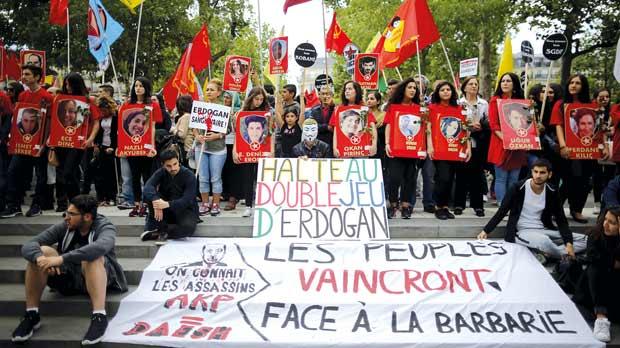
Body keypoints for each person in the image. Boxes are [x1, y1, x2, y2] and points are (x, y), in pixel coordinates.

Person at [11, 195, 128, 345]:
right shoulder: (65, 226)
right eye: (66, 213)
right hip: (70, 278)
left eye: (71, 214)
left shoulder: (105, 226)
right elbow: (29, 244)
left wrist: (60, 259)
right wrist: (40, 258)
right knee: (42, 251)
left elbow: (100, 247)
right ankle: (32, 314)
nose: (66, 217)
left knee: (91, 255)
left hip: (101, 277)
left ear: (87, 216)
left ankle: (99, 316)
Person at [478, 158, 587, 261]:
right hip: (522, 232)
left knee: (585, 240)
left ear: (550, 174)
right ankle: (560, 254)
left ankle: (548, 253)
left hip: (543, 230)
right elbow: (502, 211)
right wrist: (486, 230)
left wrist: (568, 243)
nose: (538, 176)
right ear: (532, 172)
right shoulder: (518, 188)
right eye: (536, 172)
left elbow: (561, 219)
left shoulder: (552, 191)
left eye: (542, 173)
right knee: (544, 242)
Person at [550, 73, 609, 223]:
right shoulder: (560, 104)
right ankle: (555, 211)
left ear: (583, 86)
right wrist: (563, 146)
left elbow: (599, 129)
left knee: (584, 181)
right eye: (571, 83)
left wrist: (604, 147)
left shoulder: (592, 105)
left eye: (577, 83)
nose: (573, 85)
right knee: (569, 180)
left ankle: (577, 210)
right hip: (568, 151)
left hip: (589, 151)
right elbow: (559, 125)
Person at [1, 65, 54, 218]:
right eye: (23, 74)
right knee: (13, 171)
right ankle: (14, 205)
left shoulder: (47, 97)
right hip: (22, 143)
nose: (24, 76)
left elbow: (49, 122)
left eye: (28, 74)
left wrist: (44, 144)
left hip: (39, 143)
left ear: (37, 77)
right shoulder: (22, 95)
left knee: (40, 174)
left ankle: (37, 205)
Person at [54, 73, 101, 213]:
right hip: (61, 142)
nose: (67, 87)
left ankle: (76, 204)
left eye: (70, 84)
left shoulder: (88, 100)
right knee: (68, 175)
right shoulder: (59, 99)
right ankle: (76, 206)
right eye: (66, 84)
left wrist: (91, 139)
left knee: (68, 173)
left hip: (79, 143)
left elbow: (96, 121)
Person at [574, 208, 620, 342]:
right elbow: (594, 259)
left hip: (615, 292)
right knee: (595, 267)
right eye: (605, 219)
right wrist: (613, 263)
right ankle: (601, 318)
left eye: (612, 223)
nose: (605, 224)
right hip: (593, 292)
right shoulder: (595, 235)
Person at [428, 81, 471, 220]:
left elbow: (465, 131)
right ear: (437, 93)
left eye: (448, 89)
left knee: (450, 179)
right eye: (442, 90)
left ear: (452, 92)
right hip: (439, 150)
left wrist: (468, 147)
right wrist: (430, 146)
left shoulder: (460, 109)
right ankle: (438, 207)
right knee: (443, 178)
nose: (446, 92)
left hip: (456, 150)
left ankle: (445, 207)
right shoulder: (432, 108)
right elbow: (428, 129)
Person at [120, 77, 163, 218]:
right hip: (131, 147)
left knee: (147, 177)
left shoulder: (152, 105)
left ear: (146, 88)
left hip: (145, 147)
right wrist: (121, 147)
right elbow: (122, 127)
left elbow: (152, 127)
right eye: (136, 85)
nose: (138, 88)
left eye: (141, 86)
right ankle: (136, 205)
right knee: (134, 177)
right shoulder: (127, 104)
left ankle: (146, 204)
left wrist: (151, 146)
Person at [232, 87, 274, 217]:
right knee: (248, 178)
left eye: (262, 99)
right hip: (246, 150)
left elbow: (270, 134)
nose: (259, 102)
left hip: (263, 149)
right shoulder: (241, 113)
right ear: (251, 98)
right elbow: (237, 135)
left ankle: (263, 206)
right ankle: (249, 206)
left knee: (262, 178)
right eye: (257, 99)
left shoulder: (267, 112)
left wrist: (272, 150)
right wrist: (235, 151)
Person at [141, 149, 199, 242]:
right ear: (163, 165)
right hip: (164, 209)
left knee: (188, 229)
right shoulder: (161, 172)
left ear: (178, 160)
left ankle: (160, 231)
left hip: (184, 210)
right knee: (150, 196)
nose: (173, 168)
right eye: (168, 166)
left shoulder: (189, 175)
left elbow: (187, 200)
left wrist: (167, 204)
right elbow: (147, 187)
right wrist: (157, 200)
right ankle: (161, 229)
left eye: (175, 164)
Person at [487, 72, 527, 205]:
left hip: (518, 144)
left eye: (508, 81)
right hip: (500, 143)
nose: (505, 83)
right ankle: (502, 207)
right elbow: (493, 125)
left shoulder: (522, 101)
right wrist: (507, 140)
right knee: (501, 178)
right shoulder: (495, 100)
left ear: (514, 84)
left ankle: (511, 205)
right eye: (503, 81)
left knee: (514, 178)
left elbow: (527, 124)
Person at [384, 78, 421, 219]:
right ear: (403, 89)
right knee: (394, 178)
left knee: (410, 178)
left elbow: (424, 128)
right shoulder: (393, 107)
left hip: (412, 148)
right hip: (395, 148)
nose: (412, 90)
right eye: (410, 87)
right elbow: (388, 125)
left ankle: (405, 206)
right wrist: (387, 144)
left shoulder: (419, 108)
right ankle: (393, 204)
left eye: (414, 88)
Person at [455, 76, 489, 217]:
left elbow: (488, 121)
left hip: (478, 142)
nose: (474, 86)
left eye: (476, 84)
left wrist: (481, 126)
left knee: (478, 174)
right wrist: (467, 126)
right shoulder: (458, 103)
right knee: (461, 174)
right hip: (462, 142)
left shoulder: (483, 103)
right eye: (471, 84)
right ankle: (459, 204)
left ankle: (478, 205)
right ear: (464, 87)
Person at [193, 79, 228, 216]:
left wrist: (217, 135)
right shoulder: (200, 107)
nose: (209, 92)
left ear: (219, 93)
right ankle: (205, 203)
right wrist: (197, 136)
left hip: (218, 150)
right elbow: (194, 127)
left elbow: (228, 129)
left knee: (215, 178)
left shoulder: (224, 110)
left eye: (212, 90)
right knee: (202, 177)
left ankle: (216, 204)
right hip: (201, 148)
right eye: (207, 89)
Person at [330, 80, 377, 158]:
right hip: (344, 151)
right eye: (346, 89)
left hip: (362, 151)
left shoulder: (364, 109)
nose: (347, 91)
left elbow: (372, 127)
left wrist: (374, 145)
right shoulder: (338, 109)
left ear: (357, 91)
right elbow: (336, 130)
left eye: (350, 89)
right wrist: (335, 147)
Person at [592, 88, 615, 215]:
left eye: (607, 96)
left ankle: (607, 201)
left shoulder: (613, 111)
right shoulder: (592, 111)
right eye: (601, 96)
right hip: (595, 146)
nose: (605, 99)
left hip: (611, 147)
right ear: (596, 98)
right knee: (597, 175)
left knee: (609, 175)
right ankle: (596, 202)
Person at [93, 95, 118, 206]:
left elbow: (118, 134)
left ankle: (111, 197)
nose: (102, 112)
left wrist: (113, 147)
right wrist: (97, 145)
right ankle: (101, 197)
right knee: (99, 174)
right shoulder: (99, 118)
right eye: (101, 110)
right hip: (102, 146)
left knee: (111, 174)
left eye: (104, 110)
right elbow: (98, 132)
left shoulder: (116, 117)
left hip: (112, 147)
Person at [221, 91, 244, 211]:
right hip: (222, 144)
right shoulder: (220, 110)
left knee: (234, 171)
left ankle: (234, 196)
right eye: (224, 97)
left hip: (235, 144)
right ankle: (226, 193)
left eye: (228, 97)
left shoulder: (239, 111)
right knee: (225, 170)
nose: (225, 99)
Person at [308, 85, 335, 150]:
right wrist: (326, 127)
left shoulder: (336, 109)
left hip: (333, 143)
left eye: (327, 94)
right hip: (318, 144)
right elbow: (312, 125)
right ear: (319, 95)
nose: (325, 96)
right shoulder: (314, 110)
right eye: (323, 94)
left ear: (331, 95)